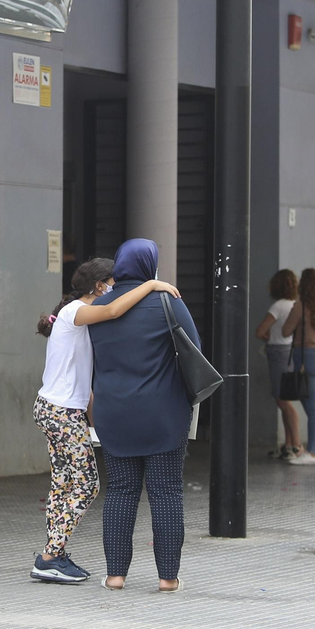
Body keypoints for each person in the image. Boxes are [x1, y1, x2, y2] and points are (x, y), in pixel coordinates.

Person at [30, 258, 178, 584]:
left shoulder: (76, 317)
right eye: (112, 283)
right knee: (86, 485)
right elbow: (113, 311)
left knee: (63, 484)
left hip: (54, 409)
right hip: (62, 413)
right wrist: (151, 285)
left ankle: (53, 554)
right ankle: (50, 556)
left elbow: (88, 382)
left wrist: (98, 423)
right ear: (100, 286)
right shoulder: (76, 313)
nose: (115, 290)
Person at [87, 239, 199, 593]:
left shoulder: (99, 306)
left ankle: (115, 575)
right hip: (163, 412)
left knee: (120, 490)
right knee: (165, 492)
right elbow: (194, 349)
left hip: (114, 411)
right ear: (150, 265)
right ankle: (168, 578)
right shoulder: (167, 300)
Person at [282, 268, 315, 463]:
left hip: (308, 359)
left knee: (313, 410)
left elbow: (287, 330)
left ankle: (311, 452)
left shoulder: (301, 306)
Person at [255, 269, 303, 461]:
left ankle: (296, 445)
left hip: (277, 353)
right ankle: (289, 444)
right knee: (284, 399)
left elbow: (260, 331)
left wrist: (269, 337)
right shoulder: (294, 304)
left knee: (283, 401)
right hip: (290, 352)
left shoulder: (279, 306)